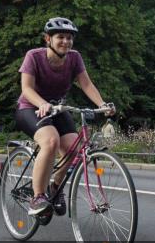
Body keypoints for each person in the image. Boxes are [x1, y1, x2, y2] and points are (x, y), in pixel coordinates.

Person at [15, 17, 115, 215]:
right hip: (30, 107)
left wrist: (102, 105)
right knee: (51, 141)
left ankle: (55, 187)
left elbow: (86, 84)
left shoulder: (74, 58)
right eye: (60, 37)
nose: (66, 42)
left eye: (69, 38)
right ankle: (37, 197)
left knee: (75, 149)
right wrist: (42, 103)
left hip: (57, 108)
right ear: (48, 39)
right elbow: (26, 88)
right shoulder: (33, 56)